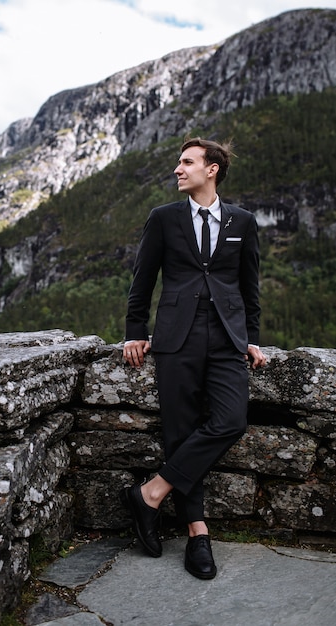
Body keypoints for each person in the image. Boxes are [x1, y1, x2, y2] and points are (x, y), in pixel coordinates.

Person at [120, 136, 267, 580]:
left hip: (226, 339)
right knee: (181, 432)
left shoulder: (242, 220)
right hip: (175, 338)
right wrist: (134, 333)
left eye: (187, 163)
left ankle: (150, 492)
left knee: (230, 421)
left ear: (212, 169)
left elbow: (249, 286)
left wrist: (253, 337)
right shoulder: (163, 219)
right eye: (178, 164)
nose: (178, 170)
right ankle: (196, 531)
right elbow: (142, 279)